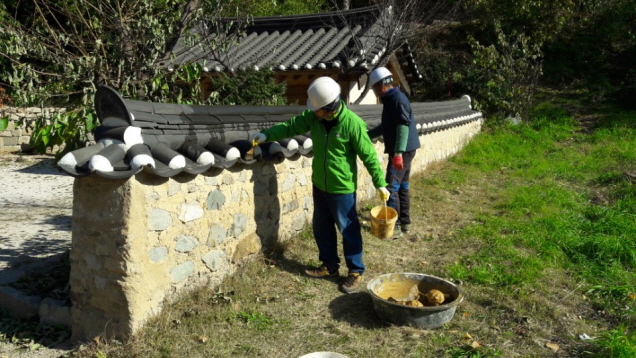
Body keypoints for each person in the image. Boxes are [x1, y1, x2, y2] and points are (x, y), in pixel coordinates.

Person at [250, 76, 390, 294]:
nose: (314, 113)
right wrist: (267, 134)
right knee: (321, 227)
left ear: (331, 107)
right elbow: (291, 126)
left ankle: (355, 271)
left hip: (342, 187)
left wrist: (380, 183)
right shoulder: (314, 118)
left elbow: (369, 155)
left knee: (348, 229)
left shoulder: (352, 124)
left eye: (318, 110)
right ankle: (330, 266)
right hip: (320, 184)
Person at [367, 67, 420, 237]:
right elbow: (386, 126)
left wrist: (398, 153)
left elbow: (403, 126)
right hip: (406, 150)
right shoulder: (390, 99)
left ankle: (394, 226)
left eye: (375, 87)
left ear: (382, 85)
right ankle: (405, 222)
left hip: (402, 152)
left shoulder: (397, 100)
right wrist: (367, 135)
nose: (374, 91)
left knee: (391, 187)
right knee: (403, 186)